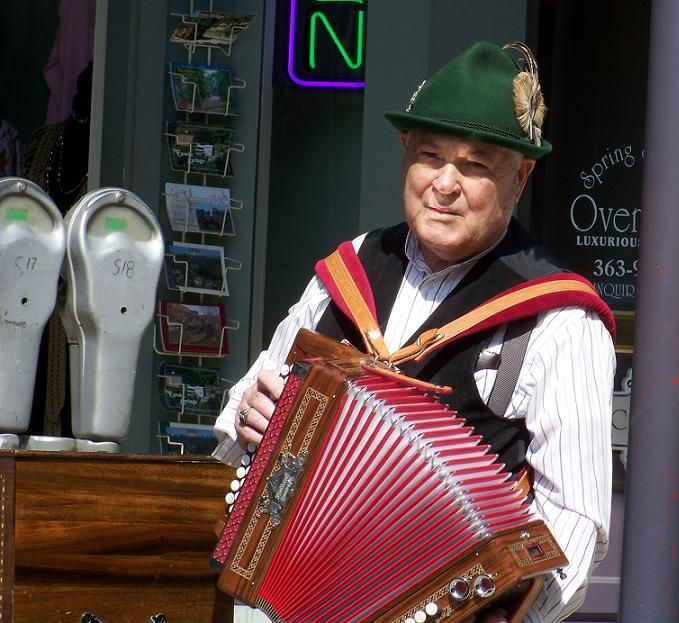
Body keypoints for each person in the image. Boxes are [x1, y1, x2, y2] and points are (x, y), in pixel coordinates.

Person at [214, 41, 616, 623]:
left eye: (476, 165)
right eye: (430, 155)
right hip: (281, 600)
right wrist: (248, 419)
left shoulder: (558, 320)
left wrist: (509, 618)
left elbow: (576, 523)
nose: (445, 184)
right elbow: (236, 426)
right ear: (405, 154)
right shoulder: (348, 270)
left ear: (521, 176)